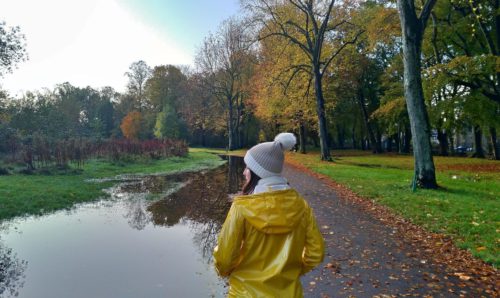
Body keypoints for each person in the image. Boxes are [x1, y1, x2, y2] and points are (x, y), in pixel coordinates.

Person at [213, 133, 325, 297]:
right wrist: (291, 273)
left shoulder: (242, 208)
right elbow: (316, 253)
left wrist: (225, 272)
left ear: (258, 172)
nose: (244, 172)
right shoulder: (301, 206)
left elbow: (225, 258)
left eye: (247, 168)